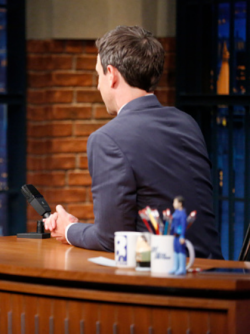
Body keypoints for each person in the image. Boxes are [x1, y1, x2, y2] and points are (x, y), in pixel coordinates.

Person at [44, 26, 223, 260]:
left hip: (162, 284)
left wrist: (67, 230)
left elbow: (111, 239)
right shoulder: (186, 123)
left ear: (112, 74)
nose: (98, 85)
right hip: (215, 273)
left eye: (98, 75)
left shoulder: (107, 139)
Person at [169, 196, 188, 275]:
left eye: (175, 202)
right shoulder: (175, 213)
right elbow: (173, 225)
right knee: (175, 250)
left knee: (181, 251)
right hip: (175, 235)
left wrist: (182, 236)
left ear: (180, 204)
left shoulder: (183, 214)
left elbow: (184, 226)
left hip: (180, 235)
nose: (173, 204)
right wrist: (171, 233)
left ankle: (182, 268)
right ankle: (175, 267)